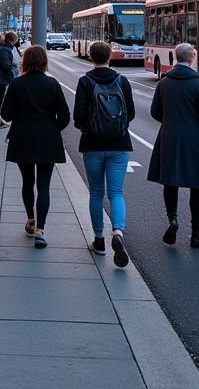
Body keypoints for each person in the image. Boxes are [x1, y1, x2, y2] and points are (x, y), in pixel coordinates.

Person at [147, 42, 199, 248]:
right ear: (192, 58)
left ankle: (173, 220)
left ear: (175, 58)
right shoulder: (198, 84)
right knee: (197, 186)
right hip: (195, 140)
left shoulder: (164, 83)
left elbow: (155, 112)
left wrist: (170, 122)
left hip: (169, 137)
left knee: (171, 181)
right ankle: (197, 234)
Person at [0, 45, 70, 248]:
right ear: (44, 62)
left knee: (27, 181)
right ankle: (41, 230)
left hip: (22, 137)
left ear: (24, 61)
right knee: (44, 185)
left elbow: (6, 114)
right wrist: (52, 128)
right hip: (48, 137)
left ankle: (30, 220)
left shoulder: (17, 84)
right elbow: (65, 116)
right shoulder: (53, 84)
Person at [73, 40, 136, 267]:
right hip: (119, 144)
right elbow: (131, 113)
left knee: (96, 192)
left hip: (92, 144)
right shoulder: (122, 80)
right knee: (117, 192)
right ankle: (118, 232)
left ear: (91, 57)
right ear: (110, 56)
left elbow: (78, 117)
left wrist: (89, 128)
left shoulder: (85, 81)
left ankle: (99, 240)